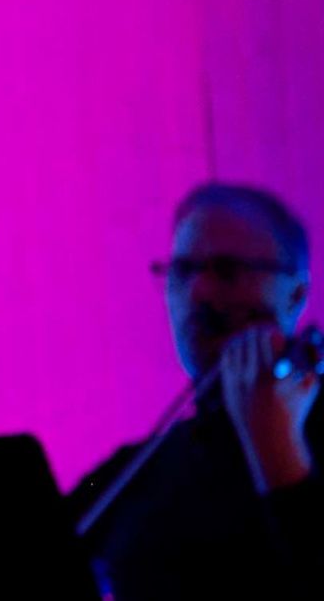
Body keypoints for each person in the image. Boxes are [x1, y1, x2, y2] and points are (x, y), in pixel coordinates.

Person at [70, 184, 320, 600]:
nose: (199, 293)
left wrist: (277, 451)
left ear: (295, 294)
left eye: (227, 270)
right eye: (183, 271)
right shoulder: (138, 468)